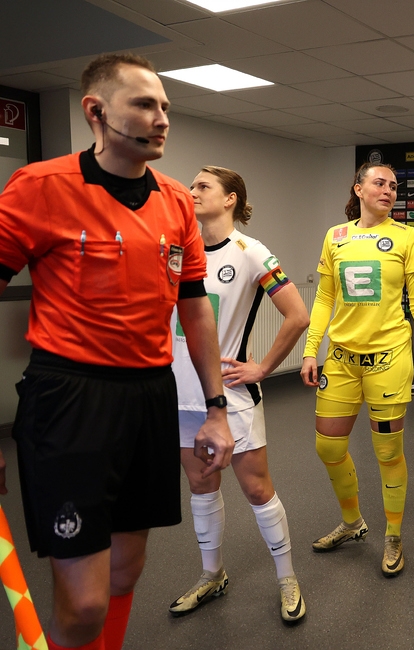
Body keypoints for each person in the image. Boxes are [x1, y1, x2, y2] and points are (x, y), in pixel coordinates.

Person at [0, 53, 234, 650]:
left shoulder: (177, 201)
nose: (162, 119)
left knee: (128, 572)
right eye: (145, 105)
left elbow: (194, 307)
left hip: (150, 395)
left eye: (165, 108)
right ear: (96, 112)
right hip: (70, 398)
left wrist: (215, 407)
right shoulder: (40, 187)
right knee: (83, 605)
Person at [167, 167, 310, 623]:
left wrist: (263, 367)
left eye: (203, 186)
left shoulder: (251, 253)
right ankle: (213, 574)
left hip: (229, 397)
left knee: (256, 489)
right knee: (201, 486)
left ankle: (287, 578)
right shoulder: (176, 251)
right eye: (190, 186)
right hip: (180, 397)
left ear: (230, 199)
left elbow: (298, 315)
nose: (192, 192)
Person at [300, 162, 414, 577]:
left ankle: (393, 534)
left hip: (388, 358)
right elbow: (324, 298)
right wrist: (312, 350)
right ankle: (353, 522)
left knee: (387, 452)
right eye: (379, 183)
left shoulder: (406, 236)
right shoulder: (336, 236)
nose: (388, 190)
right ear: (359, 189)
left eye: (394, 186)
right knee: (328, 447)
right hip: (342, 360)